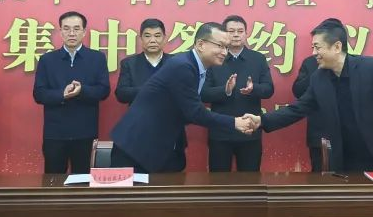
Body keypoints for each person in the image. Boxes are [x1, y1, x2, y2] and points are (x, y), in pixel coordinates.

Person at [248, 21, 373, 173]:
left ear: (336, 47)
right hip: (345, 160)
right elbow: (298, 109)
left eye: (317, 47)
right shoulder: (318, 78)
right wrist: (262, 121)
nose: (314, 53)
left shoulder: (372, 68)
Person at [110, 22, 256, 172]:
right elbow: (194, 112)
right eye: (220, 46)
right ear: (201, 44)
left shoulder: (193, 66)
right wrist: (234, 122)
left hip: (155, 146)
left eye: (226, 47)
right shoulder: (183, 67)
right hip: (136, 148)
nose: (224, 52)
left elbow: (185, 110)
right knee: (132, 189)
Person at [32, 11, 110, 175]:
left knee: (83, 181)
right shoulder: (47, 60)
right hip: (55, 134)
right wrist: (62, 94)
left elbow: (104, 91)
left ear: (84, 32)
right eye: (66, 29)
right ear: (60, 32)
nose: (71, 33)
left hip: (85, 133)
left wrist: (82, 91)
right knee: (53, 181)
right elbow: (39, 94)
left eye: (76, 28)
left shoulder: (97, 58)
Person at [201, 15, 275, 172]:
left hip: (249, 131)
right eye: (231, 31)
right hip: (220, 132)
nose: (236, 35)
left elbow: (269, 89)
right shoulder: (213, 58)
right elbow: (203, 94)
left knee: (250, 180)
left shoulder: (258, 59)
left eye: (240, 31)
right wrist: (225, 90)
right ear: (224, 34)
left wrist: (254, 89)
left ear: (246, 34)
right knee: (218, 180)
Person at [114, 17, 187, 170]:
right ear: (141, 39)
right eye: (147, 36)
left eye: (157, 35)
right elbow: (121, 93)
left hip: (170, 134)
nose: (152, 40)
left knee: (169, 180)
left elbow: (185, 94)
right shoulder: (129, 64)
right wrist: (152, 89)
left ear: (165, 38)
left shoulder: (178, 63)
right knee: (137, 179)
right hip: (138, 134)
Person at [292, 17, 343, 172]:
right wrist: (317, 71)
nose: (315, 52)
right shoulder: (311, 62)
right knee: (320, 175)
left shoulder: (353, 64)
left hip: (346, 135)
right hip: (319, 133)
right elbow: (298, 91)